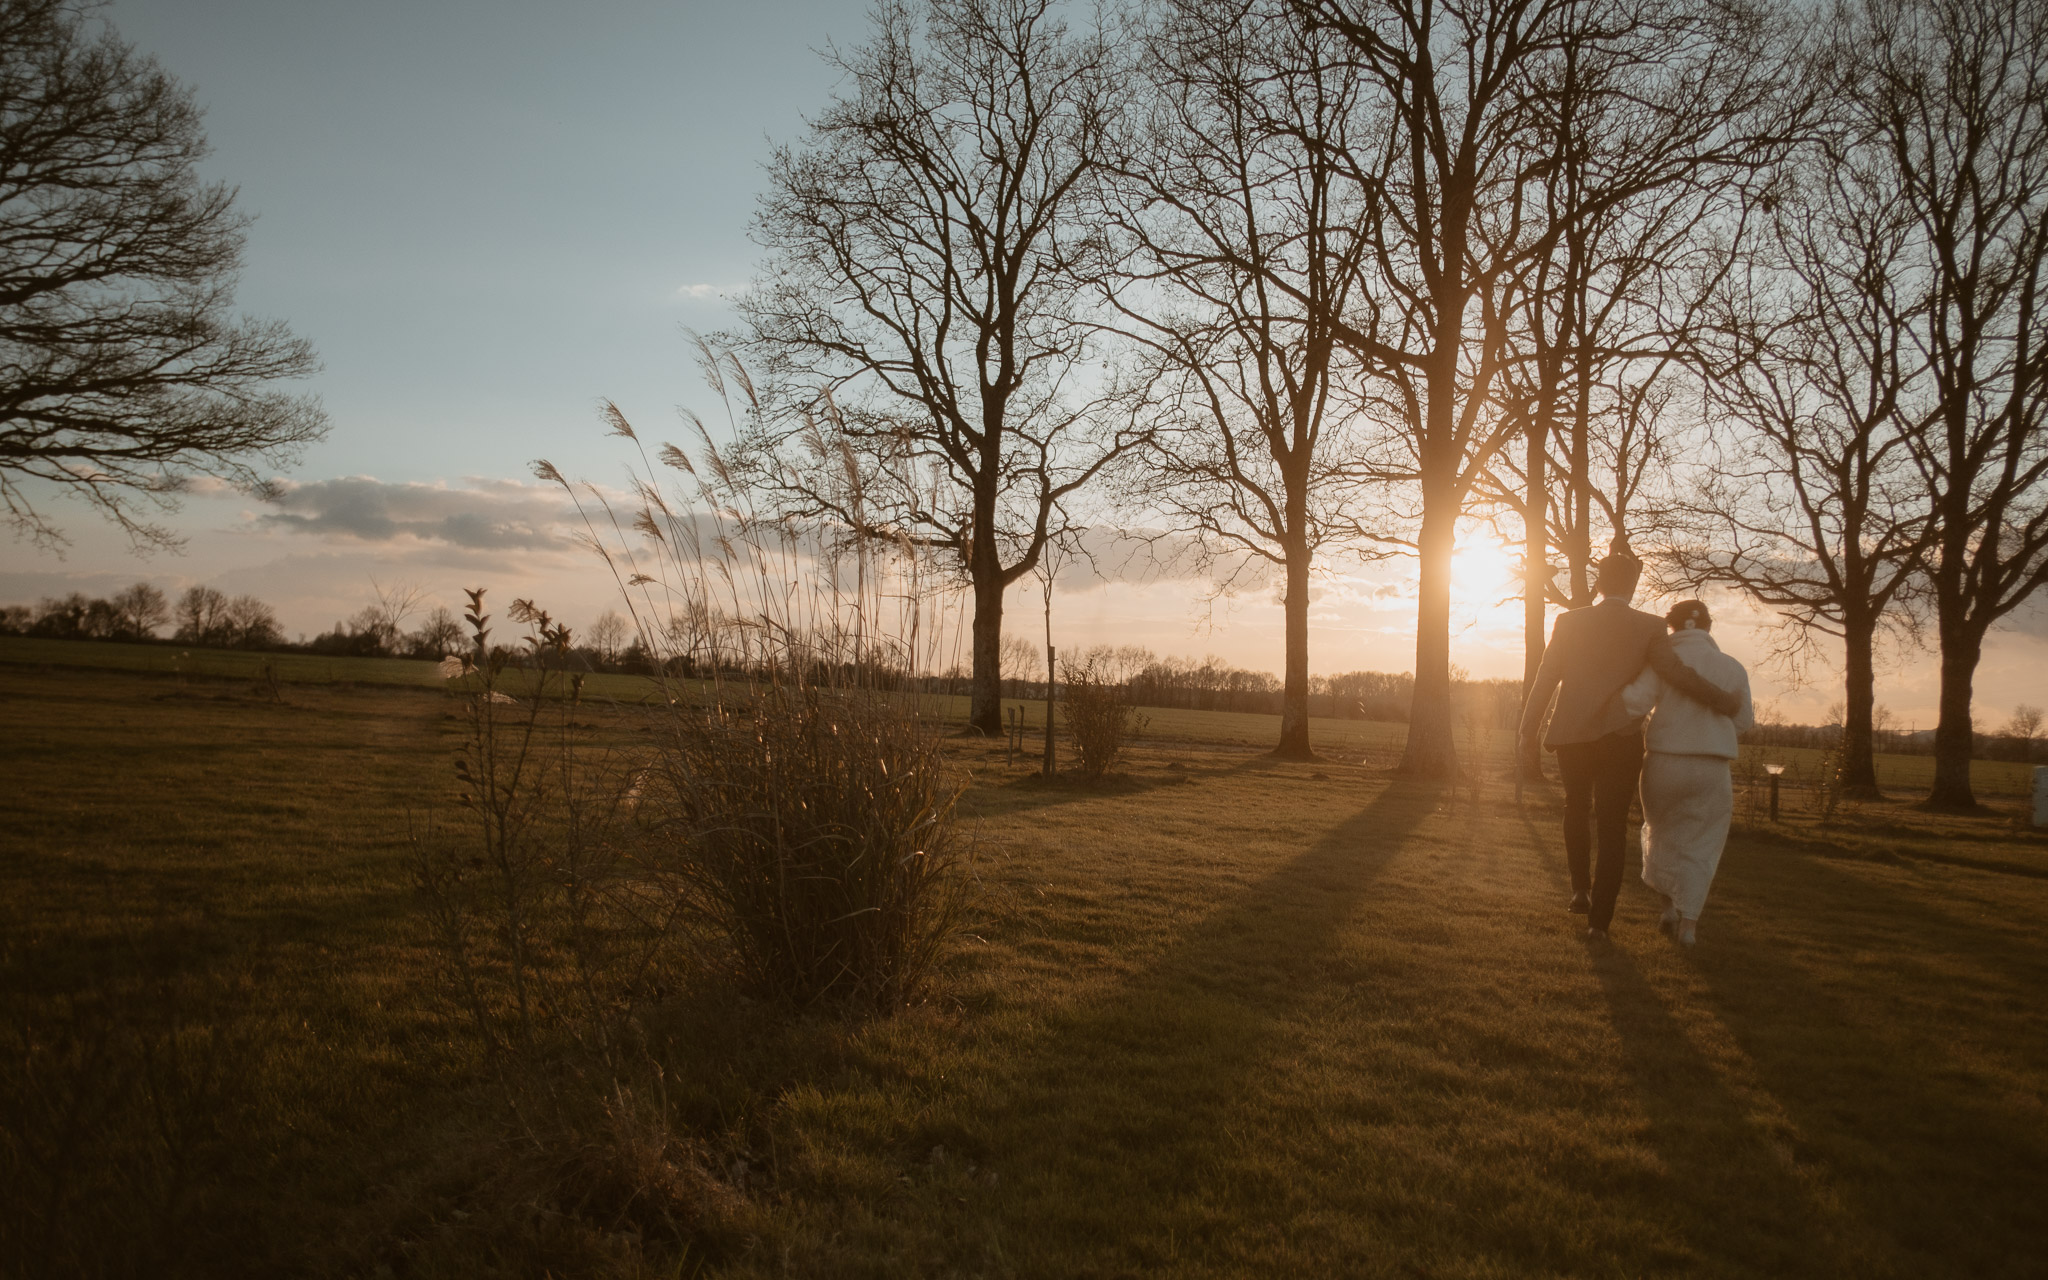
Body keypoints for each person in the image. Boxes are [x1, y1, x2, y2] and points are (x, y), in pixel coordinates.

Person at [1518, 550, 1742, 940]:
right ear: (1634, 584)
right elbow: (1676, 673)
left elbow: (1546, 675)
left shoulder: (1569, 621)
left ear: (1599, 584)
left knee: (1575, 805)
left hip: (1572, 735)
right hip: (1620, 739)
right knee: (1611, 826)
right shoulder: (1651, 627)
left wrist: (1528, 728)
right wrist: (1722, 699)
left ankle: (1579, 889)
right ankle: (1599, 925)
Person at [1620, 600, 1754, 947]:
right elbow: (1743, 722)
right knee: (1702, 844)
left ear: (1672, 627)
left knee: (1661, 833)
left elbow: (1634, 703)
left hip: (1664, 761)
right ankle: (1689, 925)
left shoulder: (1662, 663)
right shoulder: (1733, 667)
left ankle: (1666, 909)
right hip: (1712, 765)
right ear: (1708, 627)